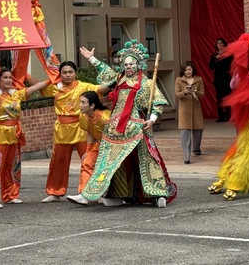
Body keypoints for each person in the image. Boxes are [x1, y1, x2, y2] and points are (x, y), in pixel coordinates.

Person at [67, 41, 176, 208]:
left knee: (146, 159)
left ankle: (157, 193)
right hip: (115, 129)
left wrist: (152, 120)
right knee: (108, 161)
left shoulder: (147, 83)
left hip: (137, 127)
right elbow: (106, 71)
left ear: (138, 64)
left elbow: (158, 103)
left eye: (132, 64)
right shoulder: (119, 79)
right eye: (126, 64)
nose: (129, 67)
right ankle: (101, 194)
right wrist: (92, 59)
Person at [36, 61, 107, 203]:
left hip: (81, 128)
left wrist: (115, 78)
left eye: (70, 72)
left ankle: (90, 192)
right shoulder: (55, 87)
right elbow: (36, 85)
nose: (68, 75)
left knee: (89, 160)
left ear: (75, 73)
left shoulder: (84, 86)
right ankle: (55, 192)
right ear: (60, 74)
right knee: (58, 162)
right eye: (64, 72)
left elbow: (102, 88)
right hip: (62, 130)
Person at [10, 0, 85, 88]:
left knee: (46, 48)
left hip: (35, 17)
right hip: (18, 20)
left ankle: (57, 79)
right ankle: (16, 83)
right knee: (18, 52)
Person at [0, 68, 47, 208]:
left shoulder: (16, 94)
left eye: (10, 77)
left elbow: (35, 87)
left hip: (14, 133)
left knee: (12, 166)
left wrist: (54, 78)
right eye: (5, 77)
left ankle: (10, 195)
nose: (8, 80)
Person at [76, 91, 111, 194]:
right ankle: (84, 194)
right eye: (80, 102)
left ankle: (100, 193)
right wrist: (88, 150)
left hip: (111, 147)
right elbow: (90, 132)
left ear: (92, 105)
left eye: (83, 102)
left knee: (103, 168)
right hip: (97, 145)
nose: (80, 105)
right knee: (86, 162)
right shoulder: (83, 116)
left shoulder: (105, 117)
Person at [175, 61, 204, 164]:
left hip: (196, 108)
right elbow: (177, 94)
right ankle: (186, 157)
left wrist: (196, 91)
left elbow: (202, 94)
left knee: (198, 132)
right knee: (184, 133)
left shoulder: (198, 79)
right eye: (186, 70)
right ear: (183, 71)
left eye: (189, 69)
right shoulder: (179, 80)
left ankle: (196, 149)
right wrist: (185, 92)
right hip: (184, 110)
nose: (188, 72)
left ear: (193, 70)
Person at [209, 38, 233, 122]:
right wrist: (216, 59)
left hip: (227, 78)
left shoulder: (229, 54)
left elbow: (231, 65)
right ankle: (221, 117)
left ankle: (229, 116)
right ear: (216, 45)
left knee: (228, 97)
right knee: (219, 98)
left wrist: (224, 56)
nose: (220, 45)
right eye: (218, 43)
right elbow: (211, 66)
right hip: (218, 78)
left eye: (222, 43)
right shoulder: (214, 55)